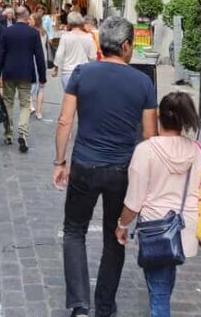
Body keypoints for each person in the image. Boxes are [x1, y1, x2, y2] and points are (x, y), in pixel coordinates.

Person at [52, 16, 159, 317]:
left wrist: (60, 161)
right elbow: (150, 137)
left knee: (74, 230)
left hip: (85, 163)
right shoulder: (143, 82)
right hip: (122, 169)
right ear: (126, 46)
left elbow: (64, 121)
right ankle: (105, 305)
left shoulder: (83, 73)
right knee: (116, 233)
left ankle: (79, 306)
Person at [116, 92, 201, 317]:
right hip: (183, 228)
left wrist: (122, 225)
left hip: (156, 230)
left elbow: (134, 201)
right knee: (164, 283)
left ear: (158, 117)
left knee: (159, 295)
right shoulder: (196, 151)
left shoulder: (146, 150)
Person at [0, 6, 46, 152]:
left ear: (15, 16)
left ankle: (8, 133)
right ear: (26, 16)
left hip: (9, 72)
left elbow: (1, 54)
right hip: (26, 73)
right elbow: (39, 56)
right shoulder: (33, 33)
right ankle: (22, 132)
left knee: (8, 103)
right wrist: (42, 76)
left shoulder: (6, 32)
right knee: (25, 104)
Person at [53, 12, 98, 89]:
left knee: (69, 98)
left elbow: (59, 54)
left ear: (69, 22)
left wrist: (56, 68)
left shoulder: (65, 37)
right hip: (84, 72)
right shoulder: (89, 37)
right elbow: (93, 57)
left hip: (67, 72)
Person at [29, 13, 48, 121]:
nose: (28, 21)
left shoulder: (32, 33)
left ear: (35, 20)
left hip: (33, 59)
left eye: (31, 19)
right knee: (41, 87)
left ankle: (31, 106)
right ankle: (39, 112)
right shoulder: (43, 32)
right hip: (43, 60)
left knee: (30, 84)